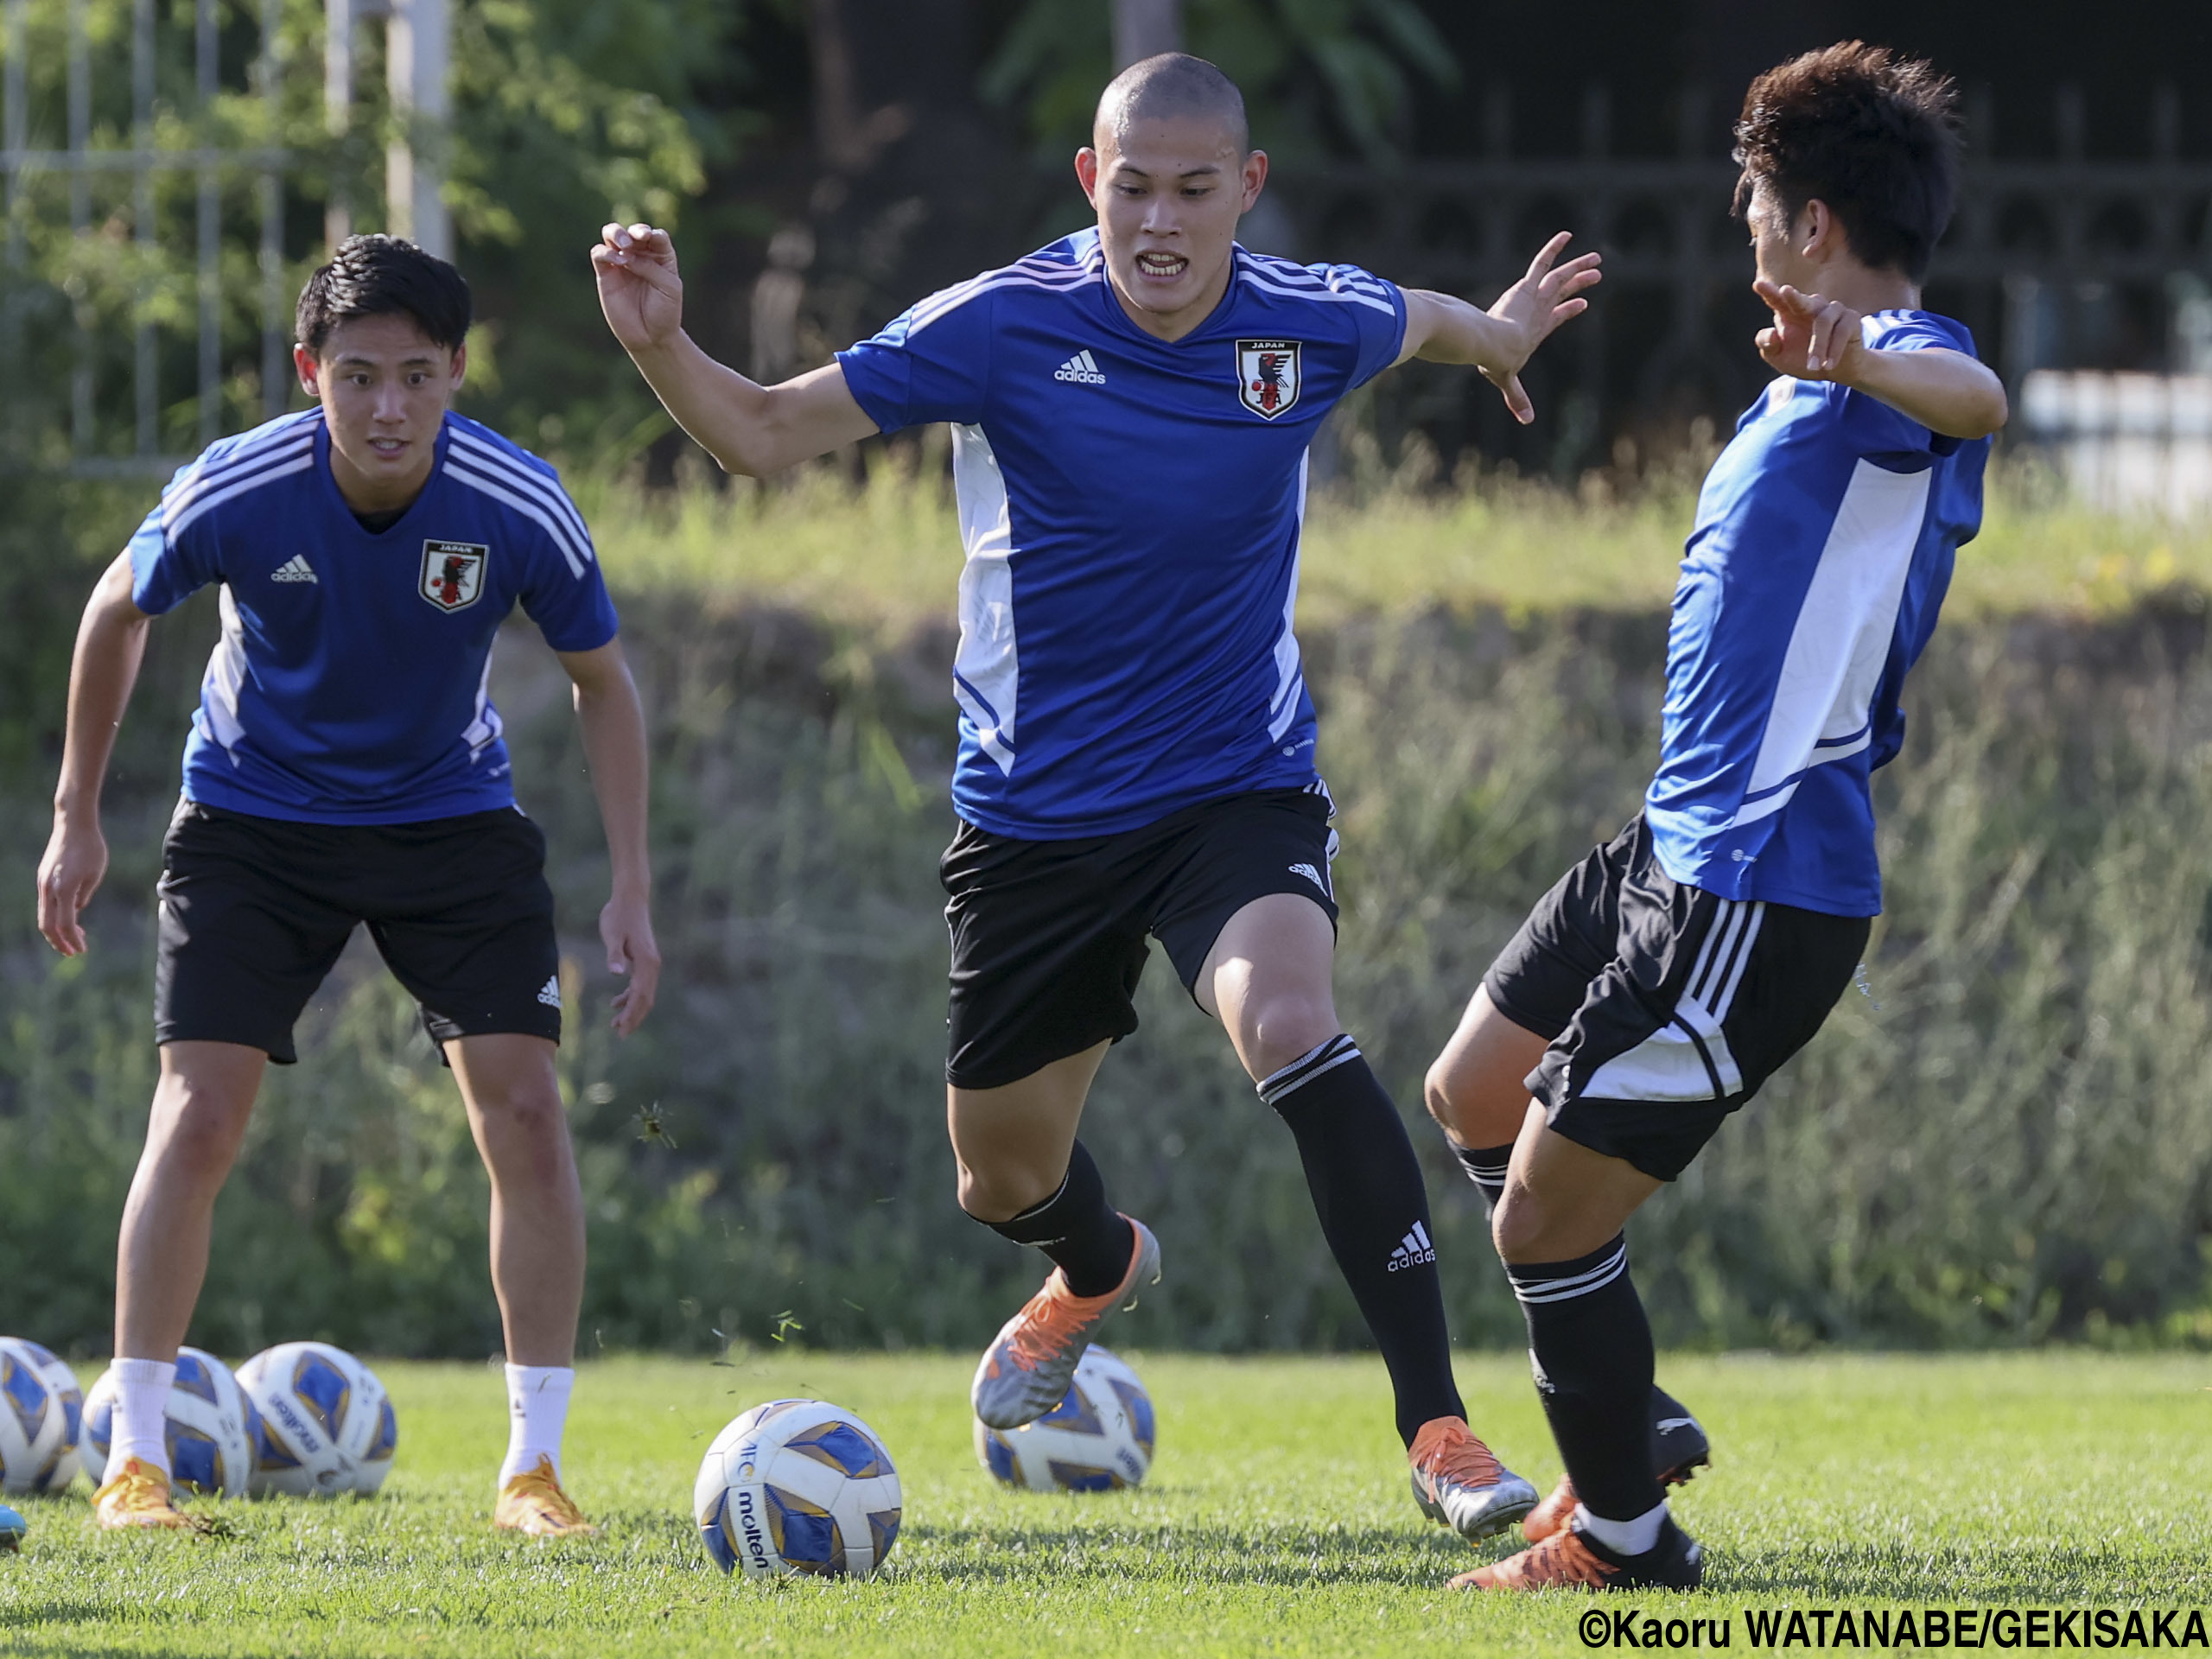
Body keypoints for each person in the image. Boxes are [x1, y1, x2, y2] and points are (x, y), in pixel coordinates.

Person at [592, 51, 1599, 1545]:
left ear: (1245, 192)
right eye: (1135, 188)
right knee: (998, 1177)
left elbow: (1424, 319)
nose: (1163, 221)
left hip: (1232, 793)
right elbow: (759, 433)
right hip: (1033, 823)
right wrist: (662, 346)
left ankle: (1437, 1427)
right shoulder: (1003, 324)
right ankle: (1093, 1264)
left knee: (1294, 1027)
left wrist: (1504, 331)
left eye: (1197, 189)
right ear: (1091, 183)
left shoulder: (1305, 318)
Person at [1422, 41, 2008, 1591]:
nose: (1736, 213)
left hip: (1762, 882)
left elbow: (1981, 394)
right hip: (1667, 851)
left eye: (1753, 191)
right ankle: (1626, 1405)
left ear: (1813, 220)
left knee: (1538, 1225)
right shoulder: (1811, 381)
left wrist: (1861, 359)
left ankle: (1625, 1536)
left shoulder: (1898, 366)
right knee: (1476, 1095)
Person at [35, 234, 659, 1537]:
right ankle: (133, 1463)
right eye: (360, 375)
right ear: (312, 372)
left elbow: (605, 682)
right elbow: (116, 609)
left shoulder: (517, 502)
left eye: (418, 378)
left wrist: (632, 887)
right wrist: (75, 819)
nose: (389, 407)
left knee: (529, 1116)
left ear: (457, 375)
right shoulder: (241, 485)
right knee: (199, 1117)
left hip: (452, 820)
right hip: (252, 819)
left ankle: (532, 1476)